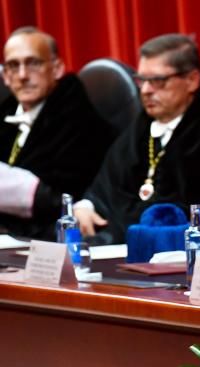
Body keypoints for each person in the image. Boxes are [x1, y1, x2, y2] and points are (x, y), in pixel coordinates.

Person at [74, 33, 200, 245]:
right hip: (120, 246)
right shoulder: (142, 125)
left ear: (192, 80)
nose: (146, 90)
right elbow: (106, 185)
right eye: (141, 81)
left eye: (157, 81)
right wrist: (86, 206)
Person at [0, 26, 113, 240]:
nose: (23, 75)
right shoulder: (4, 115)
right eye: (13, 66)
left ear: (57, 68)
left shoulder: (80, 122)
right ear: (5, 76)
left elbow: (64, 197)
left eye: (33, 63)